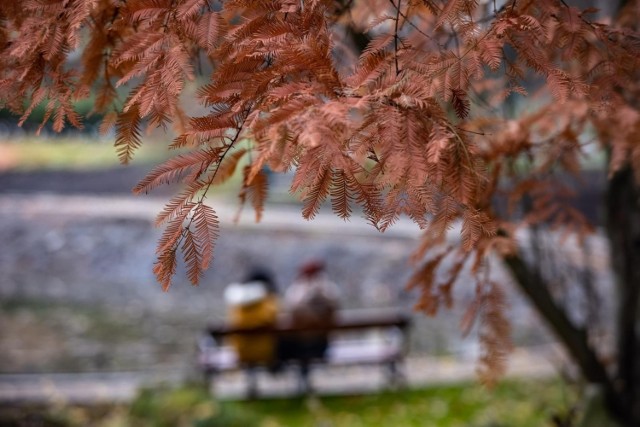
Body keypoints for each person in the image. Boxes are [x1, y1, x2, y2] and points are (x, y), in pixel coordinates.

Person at [280, 260, 340, 391]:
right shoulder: (330, 291)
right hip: (316, 343)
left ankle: (302, 380)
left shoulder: (299, 292)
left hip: (310, 344)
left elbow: (292, 308)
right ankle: (304, 380)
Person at [223, 268, 279, 366]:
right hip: (265, 352)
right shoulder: (267, 302)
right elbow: (272, 318)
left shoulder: (237, 305)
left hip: (240, 352)